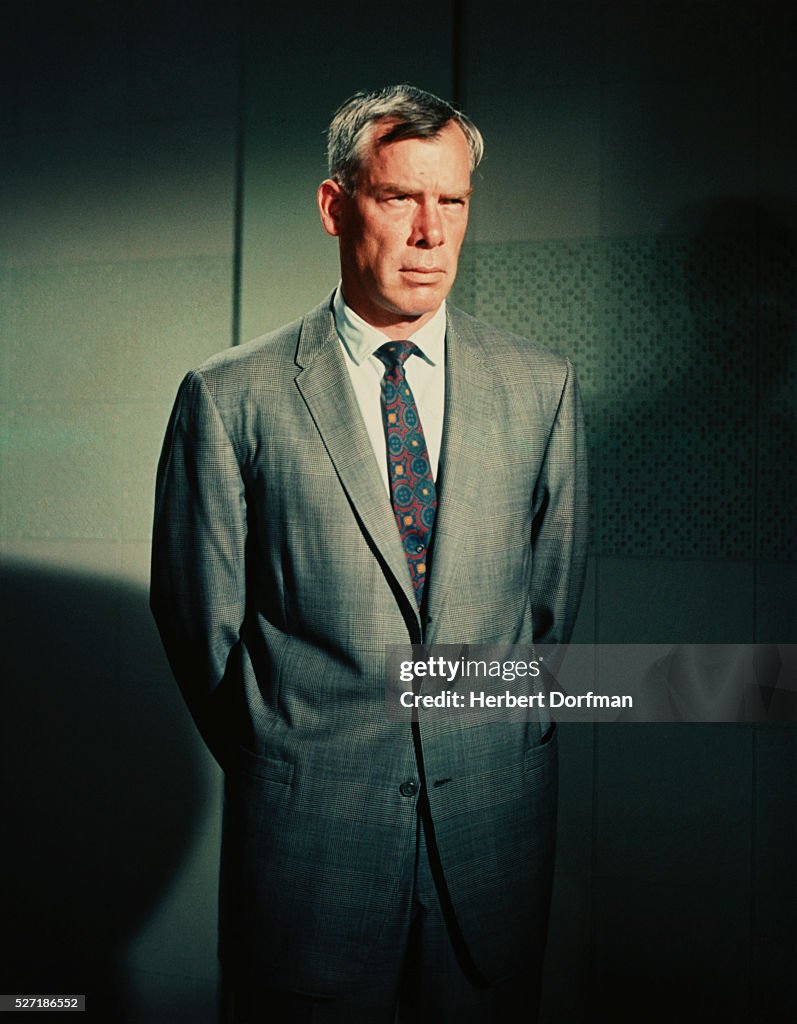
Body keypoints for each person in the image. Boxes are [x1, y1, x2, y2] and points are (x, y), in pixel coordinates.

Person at [150, 84, 589, 1023]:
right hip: (309, 855)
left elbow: (547, 622)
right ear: (335, 204)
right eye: (400, 198)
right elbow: (201, 629)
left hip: (493, 849)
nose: (432, 233)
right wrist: (293, 759)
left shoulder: (541, 387)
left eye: (454, 202)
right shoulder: (230, 397)